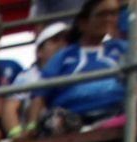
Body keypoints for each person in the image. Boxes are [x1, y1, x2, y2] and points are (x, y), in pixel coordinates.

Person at [26, 0, 130, 130]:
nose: (108, 19)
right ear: (83, 23)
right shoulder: (63, 56)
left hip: (118, 110)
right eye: (102, 14)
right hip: (71, 118)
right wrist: (31, 127)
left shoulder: (121, 48)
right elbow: (40, 94)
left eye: (113, 14)